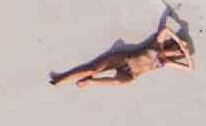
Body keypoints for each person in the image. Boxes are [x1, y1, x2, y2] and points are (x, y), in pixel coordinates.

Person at [51, 9, 195, 86]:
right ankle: (62, 77)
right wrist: (179, 41)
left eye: (179, 53)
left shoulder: (166, 62)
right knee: (93, 70)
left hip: (130, 75)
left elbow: (190, 68)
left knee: (118, 82)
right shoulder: (158, 45)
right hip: (124, 60)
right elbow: (165, 30)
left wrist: (187, 54)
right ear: (173, 45)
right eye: (178, 49)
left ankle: (91, 81)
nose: (178, 52)